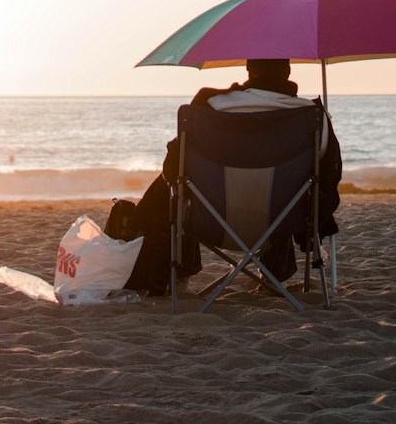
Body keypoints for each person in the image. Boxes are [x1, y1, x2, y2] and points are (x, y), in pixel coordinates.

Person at [118, 59, 342, 293]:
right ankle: (274, 277)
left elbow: (171, 171)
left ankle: (177, 273)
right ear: (287, 71)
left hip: (212, 221)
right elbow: (327, 177)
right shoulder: (310, 115)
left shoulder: (212, 107)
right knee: (285, 189)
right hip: (283, 222)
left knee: (181, 183)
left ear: (249, 70)